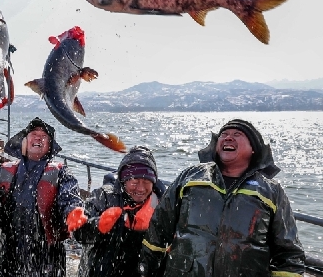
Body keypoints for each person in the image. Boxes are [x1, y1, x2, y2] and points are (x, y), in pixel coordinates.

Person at [139, 119, 305, 277]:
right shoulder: (190, 178)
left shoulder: (271, 191)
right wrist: (147, 270)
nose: (228, 138)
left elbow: (288, 253)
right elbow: (158, 229)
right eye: (223, 134)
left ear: (253, 148)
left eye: (237, 134)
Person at [0, 117, 88, 276]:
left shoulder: (61, 173)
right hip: (9, 253)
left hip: (48, 255)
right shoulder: (5, 171)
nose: (38, 137)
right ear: (23, 142)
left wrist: (73, 212)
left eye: (44, 136)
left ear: (49, 146)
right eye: (33, 134)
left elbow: (70, 197)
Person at [74, 146, 161, 277]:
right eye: (135, 181)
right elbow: (80, 234)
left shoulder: (161, 202)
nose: (141, 188)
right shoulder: (104, 196)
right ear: (124, 180)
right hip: (102, 270)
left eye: (146, 181)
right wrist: (98, 225)